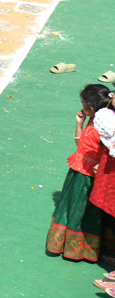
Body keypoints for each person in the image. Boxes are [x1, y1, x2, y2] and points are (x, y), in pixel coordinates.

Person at [46, 84, 111, 264]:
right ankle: (68, 246)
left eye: (84, 104)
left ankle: (79, 249)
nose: (82, 107)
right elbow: (81, 143)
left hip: (89, 177)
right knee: (72, 208)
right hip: (77, 172)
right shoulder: (93, 121)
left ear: (92, 107)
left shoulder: (105, 126)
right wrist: (79, 123)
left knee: (82, 211)